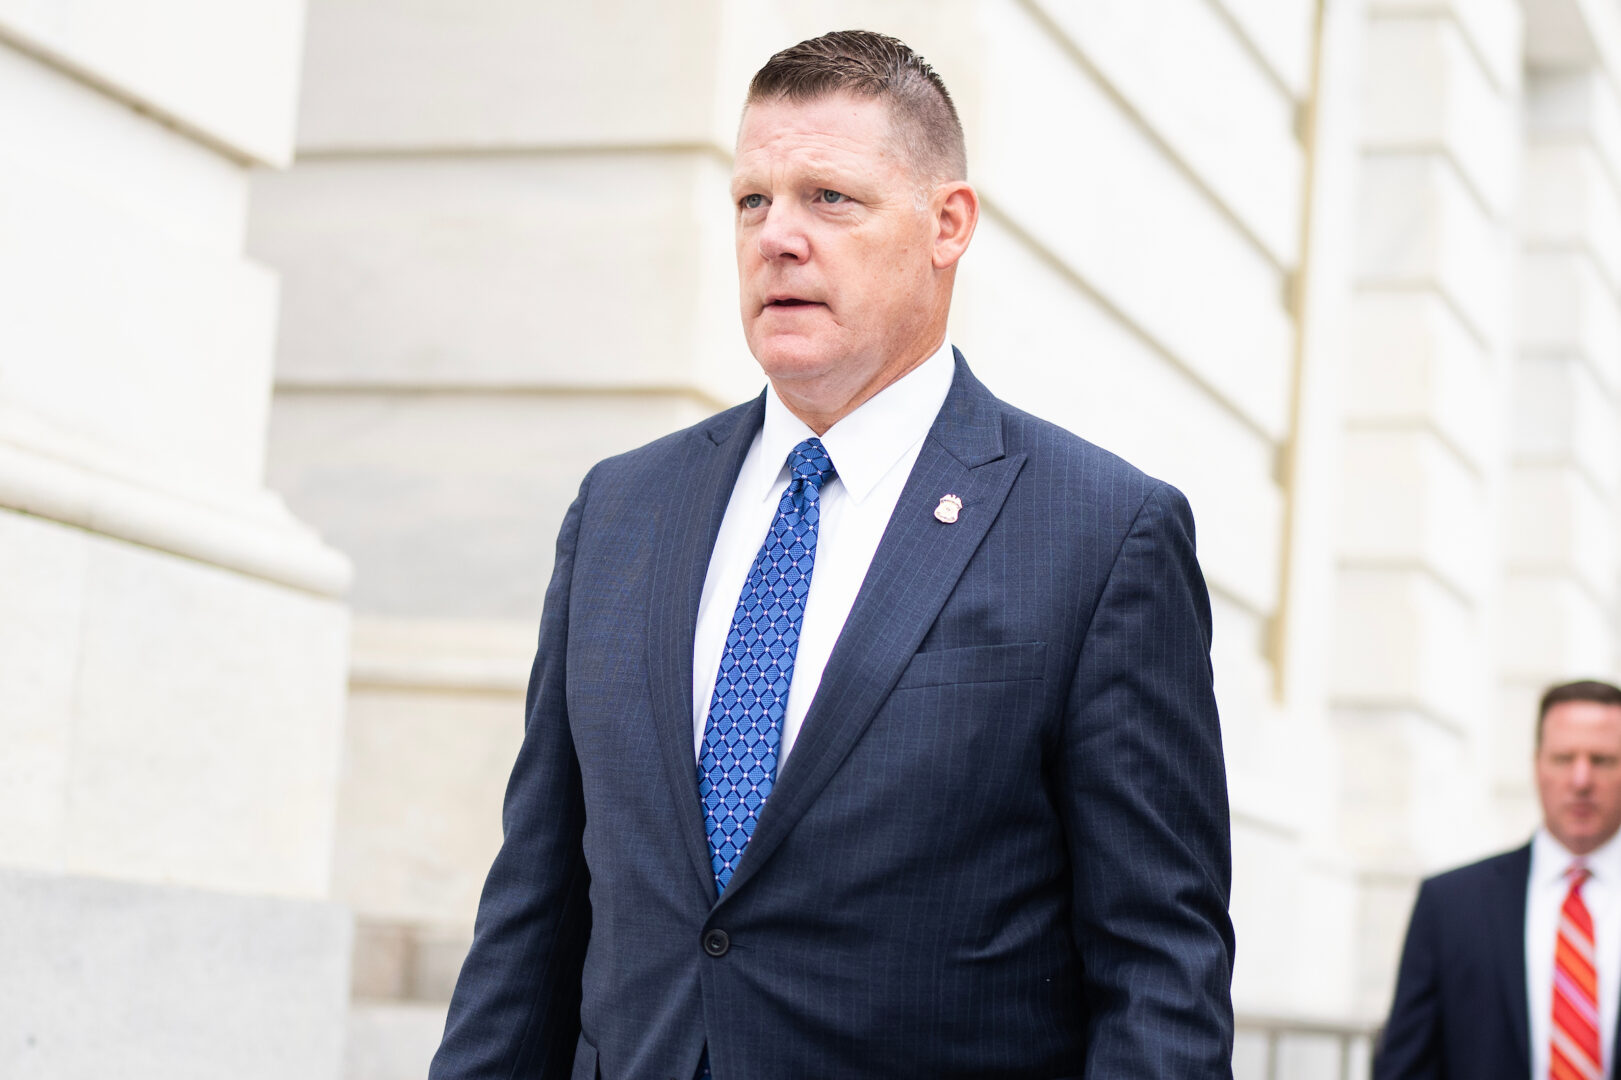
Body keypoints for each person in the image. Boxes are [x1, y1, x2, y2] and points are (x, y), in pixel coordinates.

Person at [430, 29, 1234, 1080]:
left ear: (948, 225)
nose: (777, 238)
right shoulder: (621, 510)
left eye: (830, 199)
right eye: (752, 202)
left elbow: (1159, 973)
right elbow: (531, 915)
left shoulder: (1098, 532)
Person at [1375, 679, 1621, 1080]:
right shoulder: (1450, 905)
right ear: (1537, 764)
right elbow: (1405, 1067)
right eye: (1563, 758)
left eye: (1602, 760)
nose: (1581, 780)